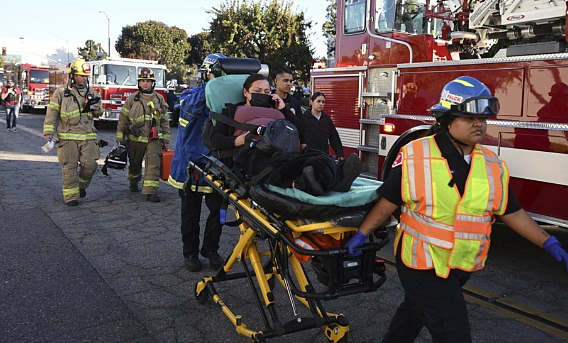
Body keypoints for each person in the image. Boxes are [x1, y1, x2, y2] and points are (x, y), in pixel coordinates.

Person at [343, 76, 568, 343]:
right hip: (421, 264)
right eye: (469, 118)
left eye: (483, 119)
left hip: (459, 266)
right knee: (454, 333)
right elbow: (388, 202)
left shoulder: (492, 164)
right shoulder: (416, 154)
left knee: (413, 315)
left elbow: (510, 211)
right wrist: (361, 234)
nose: (479, 124)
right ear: (448, 120)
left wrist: (548, 242)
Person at [211, 74, 361, 195]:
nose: (263, 95)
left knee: (317, 155)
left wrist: (283, 109)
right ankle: (310, 182)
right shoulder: (233, 111)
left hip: (284, 149)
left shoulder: (277, 110)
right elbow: (214, 139)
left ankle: (338, 177)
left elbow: (301, 131)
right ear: (246, 92)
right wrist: (238, 140)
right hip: (253, 152)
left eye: (266, 92)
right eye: (257, 92)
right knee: (285, 164)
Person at [168, 53, 226, 272]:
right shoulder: (191, 95)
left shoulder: (228, 97)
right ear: (205, 74)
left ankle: (211, 250)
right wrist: (214, 85)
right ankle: (190, 252)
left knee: (218, 213)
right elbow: (196, 105)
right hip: (191, 166)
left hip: (217, 167)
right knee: (190, 214)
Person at [43, 59, 103, 206]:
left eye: (86, 76)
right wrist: (48, 132)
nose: (84, 78)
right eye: (82, 75)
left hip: (88, 137)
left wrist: (97, 109)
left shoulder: (91, 92)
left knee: (90, 166)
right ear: (73, 75)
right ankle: (71, 197)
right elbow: (52, 113)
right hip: (67, 137)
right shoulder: (62, 92)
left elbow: (100, 111)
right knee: (69, 167)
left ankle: (81, 186)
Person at [116, 67, 170, 202]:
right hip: (135, 139)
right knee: (135, 164)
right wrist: (120, 137)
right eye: (143, 81)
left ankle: (150, 192)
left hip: (154, 139)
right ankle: (133, 182)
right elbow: (123, 118)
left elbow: (164, 119)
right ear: (139, 83)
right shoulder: (132, 99)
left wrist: (166, 137)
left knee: (154, 164)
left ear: (153, 83)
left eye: (148, 81)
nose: (145, 83)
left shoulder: (159, 99)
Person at [302, 92, 345, 160]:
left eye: (323, 102)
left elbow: (334, 137)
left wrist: (340, 154)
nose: (321, 104)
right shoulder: (304, 118)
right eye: (318, 101)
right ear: (311, 102)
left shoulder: (326, 119)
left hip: (324, 157)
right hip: (308, 157)